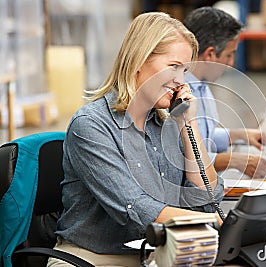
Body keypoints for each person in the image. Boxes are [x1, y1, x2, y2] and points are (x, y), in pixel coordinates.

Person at [48, 12, 224, 267]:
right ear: (139, 61)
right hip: (92, 258)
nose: (181, 82)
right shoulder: (91, 125)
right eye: (173, 66)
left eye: (185, 70)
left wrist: (189, 126)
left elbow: (207, 199)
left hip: (156, 253)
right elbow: (135, 208)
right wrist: (217, 223)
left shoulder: (168, 124)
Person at [183, 7, 266, 178]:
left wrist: (238, 135)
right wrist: (234, 161)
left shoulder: (203, 87)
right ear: (210, 54)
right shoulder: (178, 95)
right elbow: (183, 158)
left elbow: (201, 138)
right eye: (229, 55)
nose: (231, 63)